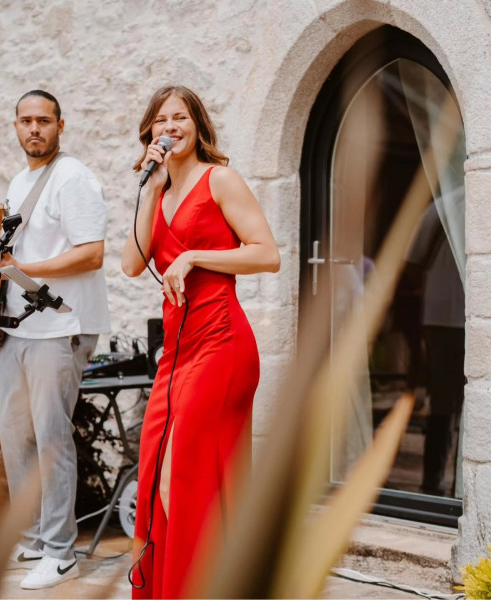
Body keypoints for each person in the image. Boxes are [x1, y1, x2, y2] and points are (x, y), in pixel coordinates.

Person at [122, 85, 280, 598]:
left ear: (198, 125)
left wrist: (194, 257)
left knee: (182, 478)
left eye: (181, 117)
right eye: (161, 120)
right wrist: (151, 189)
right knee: (156, 476)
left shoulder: (220, 180)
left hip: (221, 342)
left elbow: (267, 254)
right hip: (177, 353)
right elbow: (132, 264)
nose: (170, 127)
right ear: (150, 132)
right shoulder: (158, 191)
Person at [0, 90, 110, 590]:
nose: (35, 129)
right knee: (16, 435)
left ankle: (60, 551)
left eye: (44, 121)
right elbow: (13, 258)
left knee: (51, 437)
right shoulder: (20, 181)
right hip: (20, 326)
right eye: (26, 121)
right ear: (15, 126)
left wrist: (24, 267)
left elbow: (92, 253)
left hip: (61, 328)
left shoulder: (72, 178)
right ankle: (32, 537)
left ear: (60, 125)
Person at [406, 202, 465, 496]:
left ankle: (433, 485)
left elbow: (412, 263)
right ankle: (460, 489)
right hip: (461, 317)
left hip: (438, 315)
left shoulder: (438, 208)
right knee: (467, 406)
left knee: (441, 404)